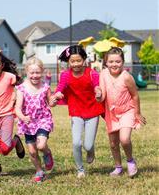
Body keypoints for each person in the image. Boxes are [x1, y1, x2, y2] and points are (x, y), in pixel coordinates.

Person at [50, 45, 104, 178]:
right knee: (76, 143)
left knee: (88, 144)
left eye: (78, 60)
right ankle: (80, 169)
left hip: (92, 111)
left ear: (84, 59)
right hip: (76, 111)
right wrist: (57, 95)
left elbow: (97, 86)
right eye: (72, 61)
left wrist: (98, 92)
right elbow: (60, 88)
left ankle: (91, 151)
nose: (76, 64)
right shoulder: (66, 75)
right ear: (68, 62)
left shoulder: (92, 73)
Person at [96, 47, 146, 177]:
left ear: (123, 62)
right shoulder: (103, 74)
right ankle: (118, 167)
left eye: (117, 61)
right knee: (113, 143)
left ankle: (130, 161)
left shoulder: (126, 77)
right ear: (106, 62)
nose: (114, 64)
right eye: (111, 61)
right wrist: (98, 94)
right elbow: (102, 96)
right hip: (111, 113)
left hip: (127, 111)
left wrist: (137, 113)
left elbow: (135, 95)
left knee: (124, 139)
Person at [15, 57, 54, 183]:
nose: (35, 75)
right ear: (27, 72)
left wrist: (54, 100)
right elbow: (17, 108)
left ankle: (47, 153)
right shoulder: (21, 88)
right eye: (32, 73)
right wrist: (22, 117)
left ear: (42, 72)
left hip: (43, 119)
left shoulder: (45, 87)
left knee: (41, 145)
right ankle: (39, 171)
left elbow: (50, 103)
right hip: (28, 122)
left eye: (37, 72)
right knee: (32, 151)